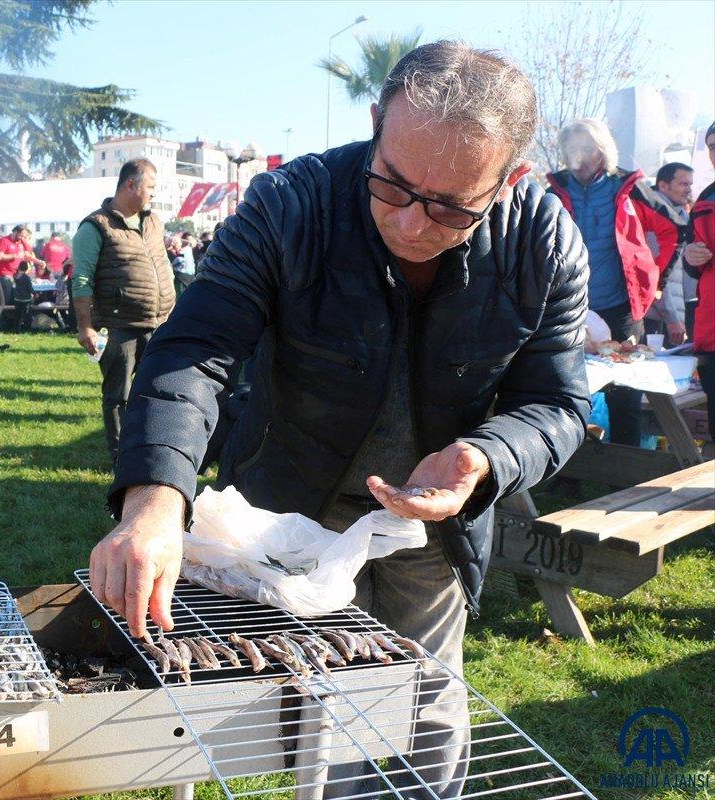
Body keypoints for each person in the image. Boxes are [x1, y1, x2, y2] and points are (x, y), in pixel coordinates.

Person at [88, 42, 592, 798]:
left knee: (428, 701)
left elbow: (557, 403)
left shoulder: (542, 241)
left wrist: (485, 456)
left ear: (512, 177)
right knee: (324, 710)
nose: (413, 223)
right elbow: (195, 350)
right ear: (374, 124)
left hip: (431, 527)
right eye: (392, 184)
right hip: (296, 505)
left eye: (452, 205)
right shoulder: (291, 203)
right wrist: (157, 498)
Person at [546, 119, 684, 446]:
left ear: (602, 150)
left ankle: (624, 477)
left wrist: (654, 280)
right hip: (570, 307)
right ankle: (570, 474)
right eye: (574, 147)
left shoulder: (630, 188)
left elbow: (673, 231)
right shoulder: (553, 192)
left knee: (626, 394)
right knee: (567, 390)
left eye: (588, 148)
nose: (580, 155)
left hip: (622, 307)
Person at [71, 158, 176, 466]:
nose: (153, 194)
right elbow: (81, 279)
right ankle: (121, 457)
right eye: (151, 187)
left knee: (157, 390)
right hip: (120, 326)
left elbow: (163, 267)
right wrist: (85, 327)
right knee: (119, 395)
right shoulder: (95, 226)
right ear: (131, 185)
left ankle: (148, 446)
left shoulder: (154, 221)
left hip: (161, 324)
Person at [683, 123, 715, 426]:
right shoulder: (705, 199)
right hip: (711, 331)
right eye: (713, 146)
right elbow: (693, 263)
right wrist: (690, 257)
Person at [644, 162, 694, 345]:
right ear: (663, 186)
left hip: (671, 318)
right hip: (653, 320)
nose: (689, 190)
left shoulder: (683, 218)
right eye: (683, 184)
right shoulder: (654, 216)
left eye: (690, 184)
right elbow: (655, 273)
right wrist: (672, 317)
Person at [168, 232, 197, 296]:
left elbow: (192, 243)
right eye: (177, 243)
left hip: (190, 278)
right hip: (180, 279)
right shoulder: (171, 252)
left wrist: (179, 240)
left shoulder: (186, 249)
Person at [12, 262, 35, 333]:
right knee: (25, 314)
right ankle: (26, 328)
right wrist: (35, 294)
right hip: (25, 299)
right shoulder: (26, 278)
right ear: (26, 269)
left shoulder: (15, 276)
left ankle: (16, 328)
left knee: (17, 315)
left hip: (17, 298)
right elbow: (30, 288)